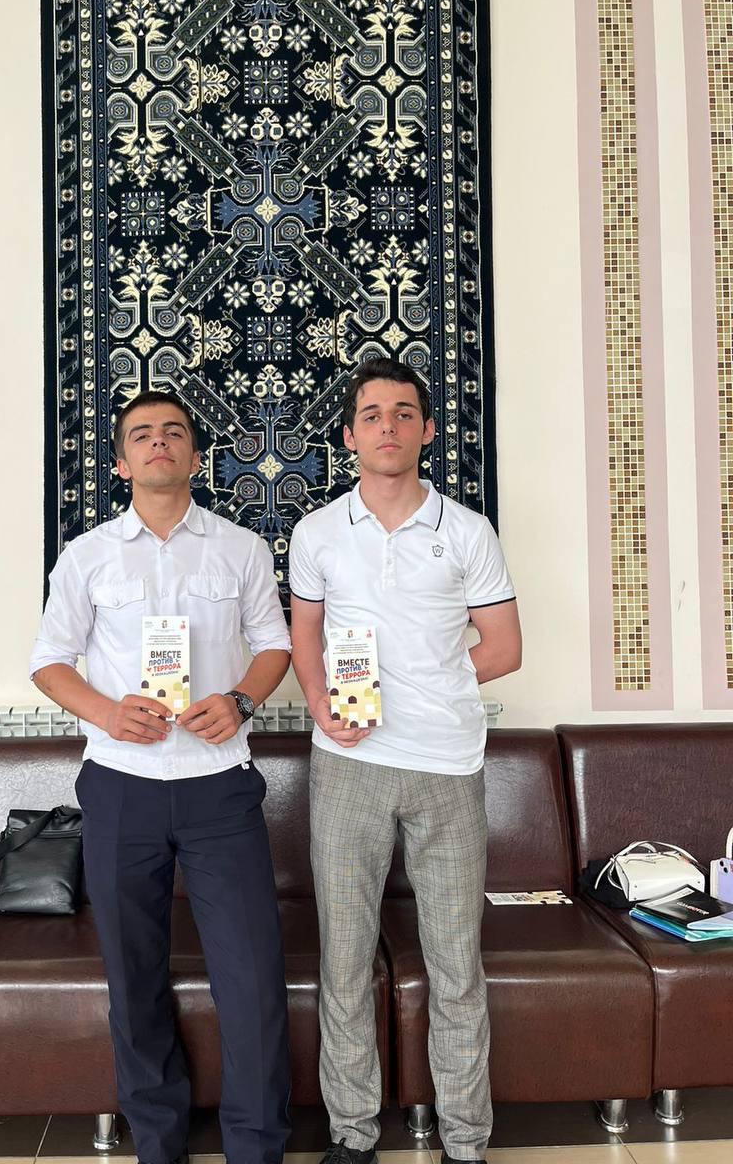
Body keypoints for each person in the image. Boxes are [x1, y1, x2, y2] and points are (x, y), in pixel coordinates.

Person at [30, 390, 292, 1164]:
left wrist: (242, 700)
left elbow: (273, 644)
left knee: (251, 978)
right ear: (121, 462)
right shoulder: (86, 556)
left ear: (195, 456)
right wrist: (107, 713)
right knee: (133, 976)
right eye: (141, 435)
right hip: (121, 786)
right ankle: (158, 1144)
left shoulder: (241, 548)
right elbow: (49, 661)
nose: (158, 443)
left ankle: (256, 1148)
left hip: (220, 786)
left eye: (174, 432)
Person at [289, 358, 522, 1164]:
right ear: (349, 436)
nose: (387, 426)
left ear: (426, 431)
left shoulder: (468, 532)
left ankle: (466, 1142)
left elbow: (504, 647)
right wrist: (319, 703)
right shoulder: (318, 533)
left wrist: (430, 681)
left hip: (448, 767)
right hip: (347, 763)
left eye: (403, 413)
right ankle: (353, 1136)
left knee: (456, 965)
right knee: (344, 959)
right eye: (371, 415)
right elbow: (304, 633)